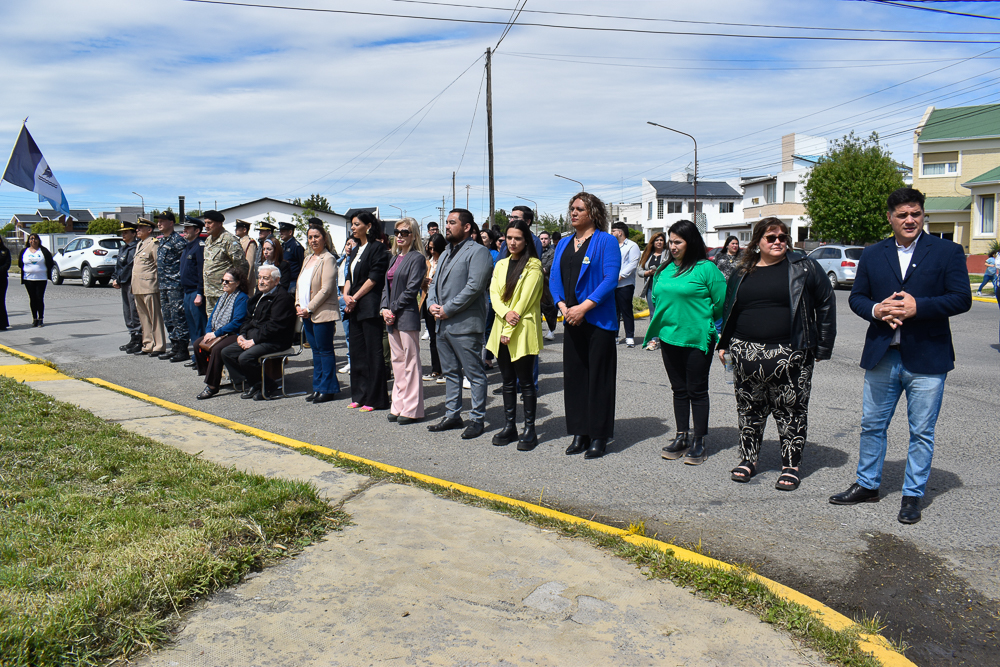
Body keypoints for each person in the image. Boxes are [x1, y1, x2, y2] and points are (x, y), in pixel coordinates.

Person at [830, 188, 971, 524]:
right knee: (872, 425)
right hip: (883, 354)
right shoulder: (874, 253)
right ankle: (867, 485)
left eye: (916, 213)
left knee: (921, 430)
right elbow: (857, 298)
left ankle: (912, 496)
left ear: (923, 215)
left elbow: (961, 298)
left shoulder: (948, 251)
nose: (910, 220)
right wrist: (877, 310)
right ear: (890, 218)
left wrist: (918, 307)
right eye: (903, 214)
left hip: (928, 356)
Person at [717, 217, 836, 490]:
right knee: (749, 410)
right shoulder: (742, 270)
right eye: (771, 237)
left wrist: (823, 346)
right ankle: (748, 460)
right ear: (758, 241)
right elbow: (730, 308)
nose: (778, 241)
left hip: (791, 353)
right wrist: (724, 344)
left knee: (791, 411)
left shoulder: (804, 267)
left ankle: (791, 465)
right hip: (745, 353)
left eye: (783, 237)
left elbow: (826, 304)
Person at [645, 221, 726, 466]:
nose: (672, 246)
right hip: (669, 338)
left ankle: (699, 440)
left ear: (691, 243)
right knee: (679, 389)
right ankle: (682, 436)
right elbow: (657, 297)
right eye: (671, 241)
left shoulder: (706, 269)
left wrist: (699, 319)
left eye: (677, 242)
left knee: (697, 390)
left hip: (697, 339)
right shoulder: (664, 269)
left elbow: (721, 302)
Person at [550, 193, 622, 459]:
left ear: (593, 212)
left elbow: (609, 279)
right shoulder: (564, 243)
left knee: (599, 379)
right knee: (575, 377)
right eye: (572, 208)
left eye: (579, 208)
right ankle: (580, 432)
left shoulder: (606, 241)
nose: (573, 212)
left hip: (597, 320)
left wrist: (583, 307)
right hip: (570, 318)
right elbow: (555, 278)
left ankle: (599, 435)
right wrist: (562, 307)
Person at [426, 208, 493, 439]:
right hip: (442, 324)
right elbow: (433, 283)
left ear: (466, 227)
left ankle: (477, 418)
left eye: (452, 222)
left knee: (474, 373)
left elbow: (474, 287)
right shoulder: (445, 253)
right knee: (451, 373)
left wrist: (447, 309)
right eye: (446, 222)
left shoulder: (479, 253)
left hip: (464, 325)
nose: (447, 226)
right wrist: (432, 304)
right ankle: (453, 415)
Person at [487, 219, 544, 450]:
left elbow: (524, 301)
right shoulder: (500, 265)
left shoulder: (533, 266)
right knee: (508, 381)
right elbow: (493, 294)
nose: (512, 242)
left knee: (526, 381)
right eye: (509, 238)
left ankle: (529, 429)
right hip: (501, 327)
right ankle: (510, 426)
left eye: (517, 238)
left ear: (526, 240)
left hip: (521, 329)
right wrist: (504, 314)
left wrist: (509, 326)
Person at [221, 265, 297, 400]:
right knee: (227, 353)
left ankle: (267, 385)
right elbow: (248, 318)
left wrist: (253, 341)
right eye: (260, 278)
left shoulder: (282, 298)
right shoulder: (259, 295)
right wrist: (242, 335)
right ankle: (256, 384)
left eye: (266, 278)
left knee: (245, 358)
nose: (261, 282)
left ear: (276, 280)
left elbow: (275, 327)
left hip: (276, 340)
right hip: (256, 337)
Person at [381, 218, 428, 424]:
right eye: (397, 232)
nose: (399, 235)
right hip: (391, 316)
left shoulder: (417, 258)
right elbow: (385, 287)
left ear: (414, 235)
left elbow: (412, 289)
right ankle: (398, 405)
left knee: (411, 363)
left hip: (406, 315)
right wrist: (384, 308)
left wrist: (393, 308)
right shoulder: (393, 258)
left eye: (405, 232)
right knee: (397, 363)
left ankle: (412, 409)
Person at [343, 211, 390, 412]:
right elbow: (349, 277)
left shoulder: (377, 248)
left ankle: (375, 398)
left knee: (373, 353)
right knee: (357, 352)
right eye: (352, 224)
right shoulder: (355, 250)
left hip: (369, 305)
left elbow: (374, 277)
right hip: (353, 307)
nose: (352, 228)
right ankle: (359, 395)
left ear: (368, 226)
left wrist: (355, 297)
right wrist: (346, 295)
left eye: (356, 224)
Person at [295, 222, 341, 403]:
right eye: (310, 237)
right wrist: (298, 303)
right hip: (305, 313)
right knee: (315, 352)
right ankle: (318, 387)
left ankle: (328, 389)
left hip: (320, 313)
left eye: (317, 237)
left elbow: (327, 288)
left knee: (325, 351)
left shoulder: (328, 258)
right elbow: (300, 284)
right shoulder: (307, 258)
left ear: (324, 238)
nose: (313, 240)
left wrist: (309, 308)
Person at [194, 269, 249, 399]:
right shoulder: (223, 296)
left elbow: (237, 322)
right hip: (219, 332)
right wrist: (209, 332)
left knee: (218, 349)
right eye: (223, 281)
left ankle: (212, 386)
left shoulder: (242, 298)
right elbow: (212, 316)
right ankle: (211, 374)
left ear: (237, 283)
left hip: (234, 334)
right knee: (198, 344)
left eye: (227, 281)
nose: (224, 283)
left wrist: (216, 333)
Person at [155, 211, 189, 362]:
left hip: (175, 286)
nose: (159, 223)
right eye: (158, 221)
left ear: (171, 223)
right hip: (163, 285)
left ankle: (182, 349)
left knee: (178, 317)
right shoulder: (162, 240)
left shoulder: (178, 241)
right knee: (168, 318)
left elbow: (186, 263)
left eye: (162, 221)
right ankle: (174, 347)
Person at [130, 218, 167, 355]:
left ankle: (159, 345)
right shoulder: (140, 244)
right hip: (138, 286)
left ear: (149, 230)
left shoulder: (153, 244)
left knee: (154, 317)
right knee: (143, 317)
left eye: (140, 228)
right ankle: (148, 344)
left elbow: (159, 266)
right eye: (137, 228)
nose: (137, 230)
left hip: (149, 286)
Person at [202, 210, 249, 313]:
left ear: (219, 223)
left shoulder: (229, 240)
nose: (206, 226)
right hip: (210, 292)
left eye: (209, 223)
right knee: (211, 323)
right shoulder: (208, 240)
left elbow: (242, 266)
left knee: (224, 323)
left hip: (224, 292)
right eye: (205, 223)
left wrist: (236, 288)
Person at [179, 216, 207, 366]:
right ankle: (196, 357)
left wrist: (199, 292)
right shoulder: (188, 246)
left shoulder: (199, 247)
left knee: (199, 326)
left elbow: (201, 272)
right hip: (187, 291)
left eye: (187, 228)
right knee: (192, 326)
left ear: (197, 230)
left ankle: (202, 358)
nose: (184, 231)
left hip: (195, 292)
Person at [111, 221, 141, 352]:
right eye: (122, 232)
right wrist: (114, 278)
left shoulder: (136, 248)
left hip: (131, 282)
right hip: (123, 282)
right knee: (127, 310)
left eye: (126, 232)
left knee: (134, 311)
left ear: (134, 233)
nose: (123, 234)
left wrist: (119, 279)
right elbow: (119, 266)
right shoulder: (123, 248)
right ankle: (132, 337)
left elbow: (130, 267)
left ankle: (139, 338)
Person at [420, 232, 446, 383]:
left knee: (443, 337)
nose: (432, 251)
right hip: (427, 302)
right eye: (429, 248)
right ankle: (436, 369)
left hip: (441, 304)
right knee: (433, 338)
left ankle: (447, 370)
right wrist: (423, 282)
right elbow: (418, 283)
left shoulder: (445, 262)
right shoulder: (427, 262)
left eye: (434, 248)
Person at [611, 221, 641, 348]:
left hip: (625, 285)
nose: (611, 233)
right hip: (612, 284)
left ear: (620, 232)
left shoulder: (632, 246)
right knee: (614, 311)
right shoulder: (612, 245)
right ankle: (615, 336)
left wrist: (620, 276)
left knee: (626, 310)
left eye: (613, 231)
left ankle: (629, 336)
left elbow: (632, 264)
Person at [18, 233, 54, 328]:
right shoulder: (24, 251)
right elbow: (20, 264)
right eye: (31, 239)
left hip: (41, 278)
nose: (33, 240)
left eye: (35, 239)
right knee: (32, 299)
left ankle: (41, 318)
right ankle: (34, 318)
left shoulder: (43, 251)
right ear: (28, 241)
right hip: (28, 278)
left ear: (39, 240)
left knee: (39, 298)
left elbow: (50, 262)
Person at [638, 232, 667, 351]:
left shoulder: (668, 254)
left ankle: (664, 338)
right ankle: (654, 339)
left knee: (664, 313)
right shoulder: (647, 254)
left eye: (661, 240)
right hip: (650, 287)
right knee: (653, 313)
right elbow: (640, 271)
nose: (659, 242)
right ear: (652, 242)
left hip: (664, 288)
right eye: (656, 240)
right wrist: (648, 273)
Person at [337, 236, 356, 375]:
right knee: (348, 334)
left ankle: (355, 362)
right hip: (340, 298)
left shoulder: (354, 260)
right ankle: (351, 362)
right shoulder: (341, 260)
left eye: (352, 244)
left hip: (349, 298)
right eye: (347, 244)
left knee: (353, 333)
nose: (348, 246)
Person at [538, 230, 558, 341]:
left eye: (546, 238)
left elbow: (546, 269)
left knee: (549, 308)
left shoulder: (552, 252)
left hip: (548, 284)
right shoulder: (535, 251)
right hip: (536, 285)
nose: (543, 241)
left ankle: (551, 330)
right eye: (541, 239)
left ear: (549, 240)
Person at [279, 222, 305, 291]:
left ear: (290, 232)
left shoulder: (296, 246)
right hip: (284, 280)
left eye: (283, 231)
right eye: (280, 231)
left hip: (293, 282)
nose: (280, 234)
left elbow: (302, 264)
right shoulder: (283, 245)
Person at [234, 219, 258, 288]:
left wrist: (246, 281)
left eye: (238, 228)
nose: (236, 230)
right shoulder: (238, 241)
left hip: (245, 279)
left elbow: (250, 263)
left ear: (244, 230)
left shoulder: (250, 242)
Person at [0, 236, 10, 330]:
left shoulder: (5, 251)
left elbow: (7, 264)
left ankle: (3, 324)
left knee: (1, 301)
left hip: (2, 279)